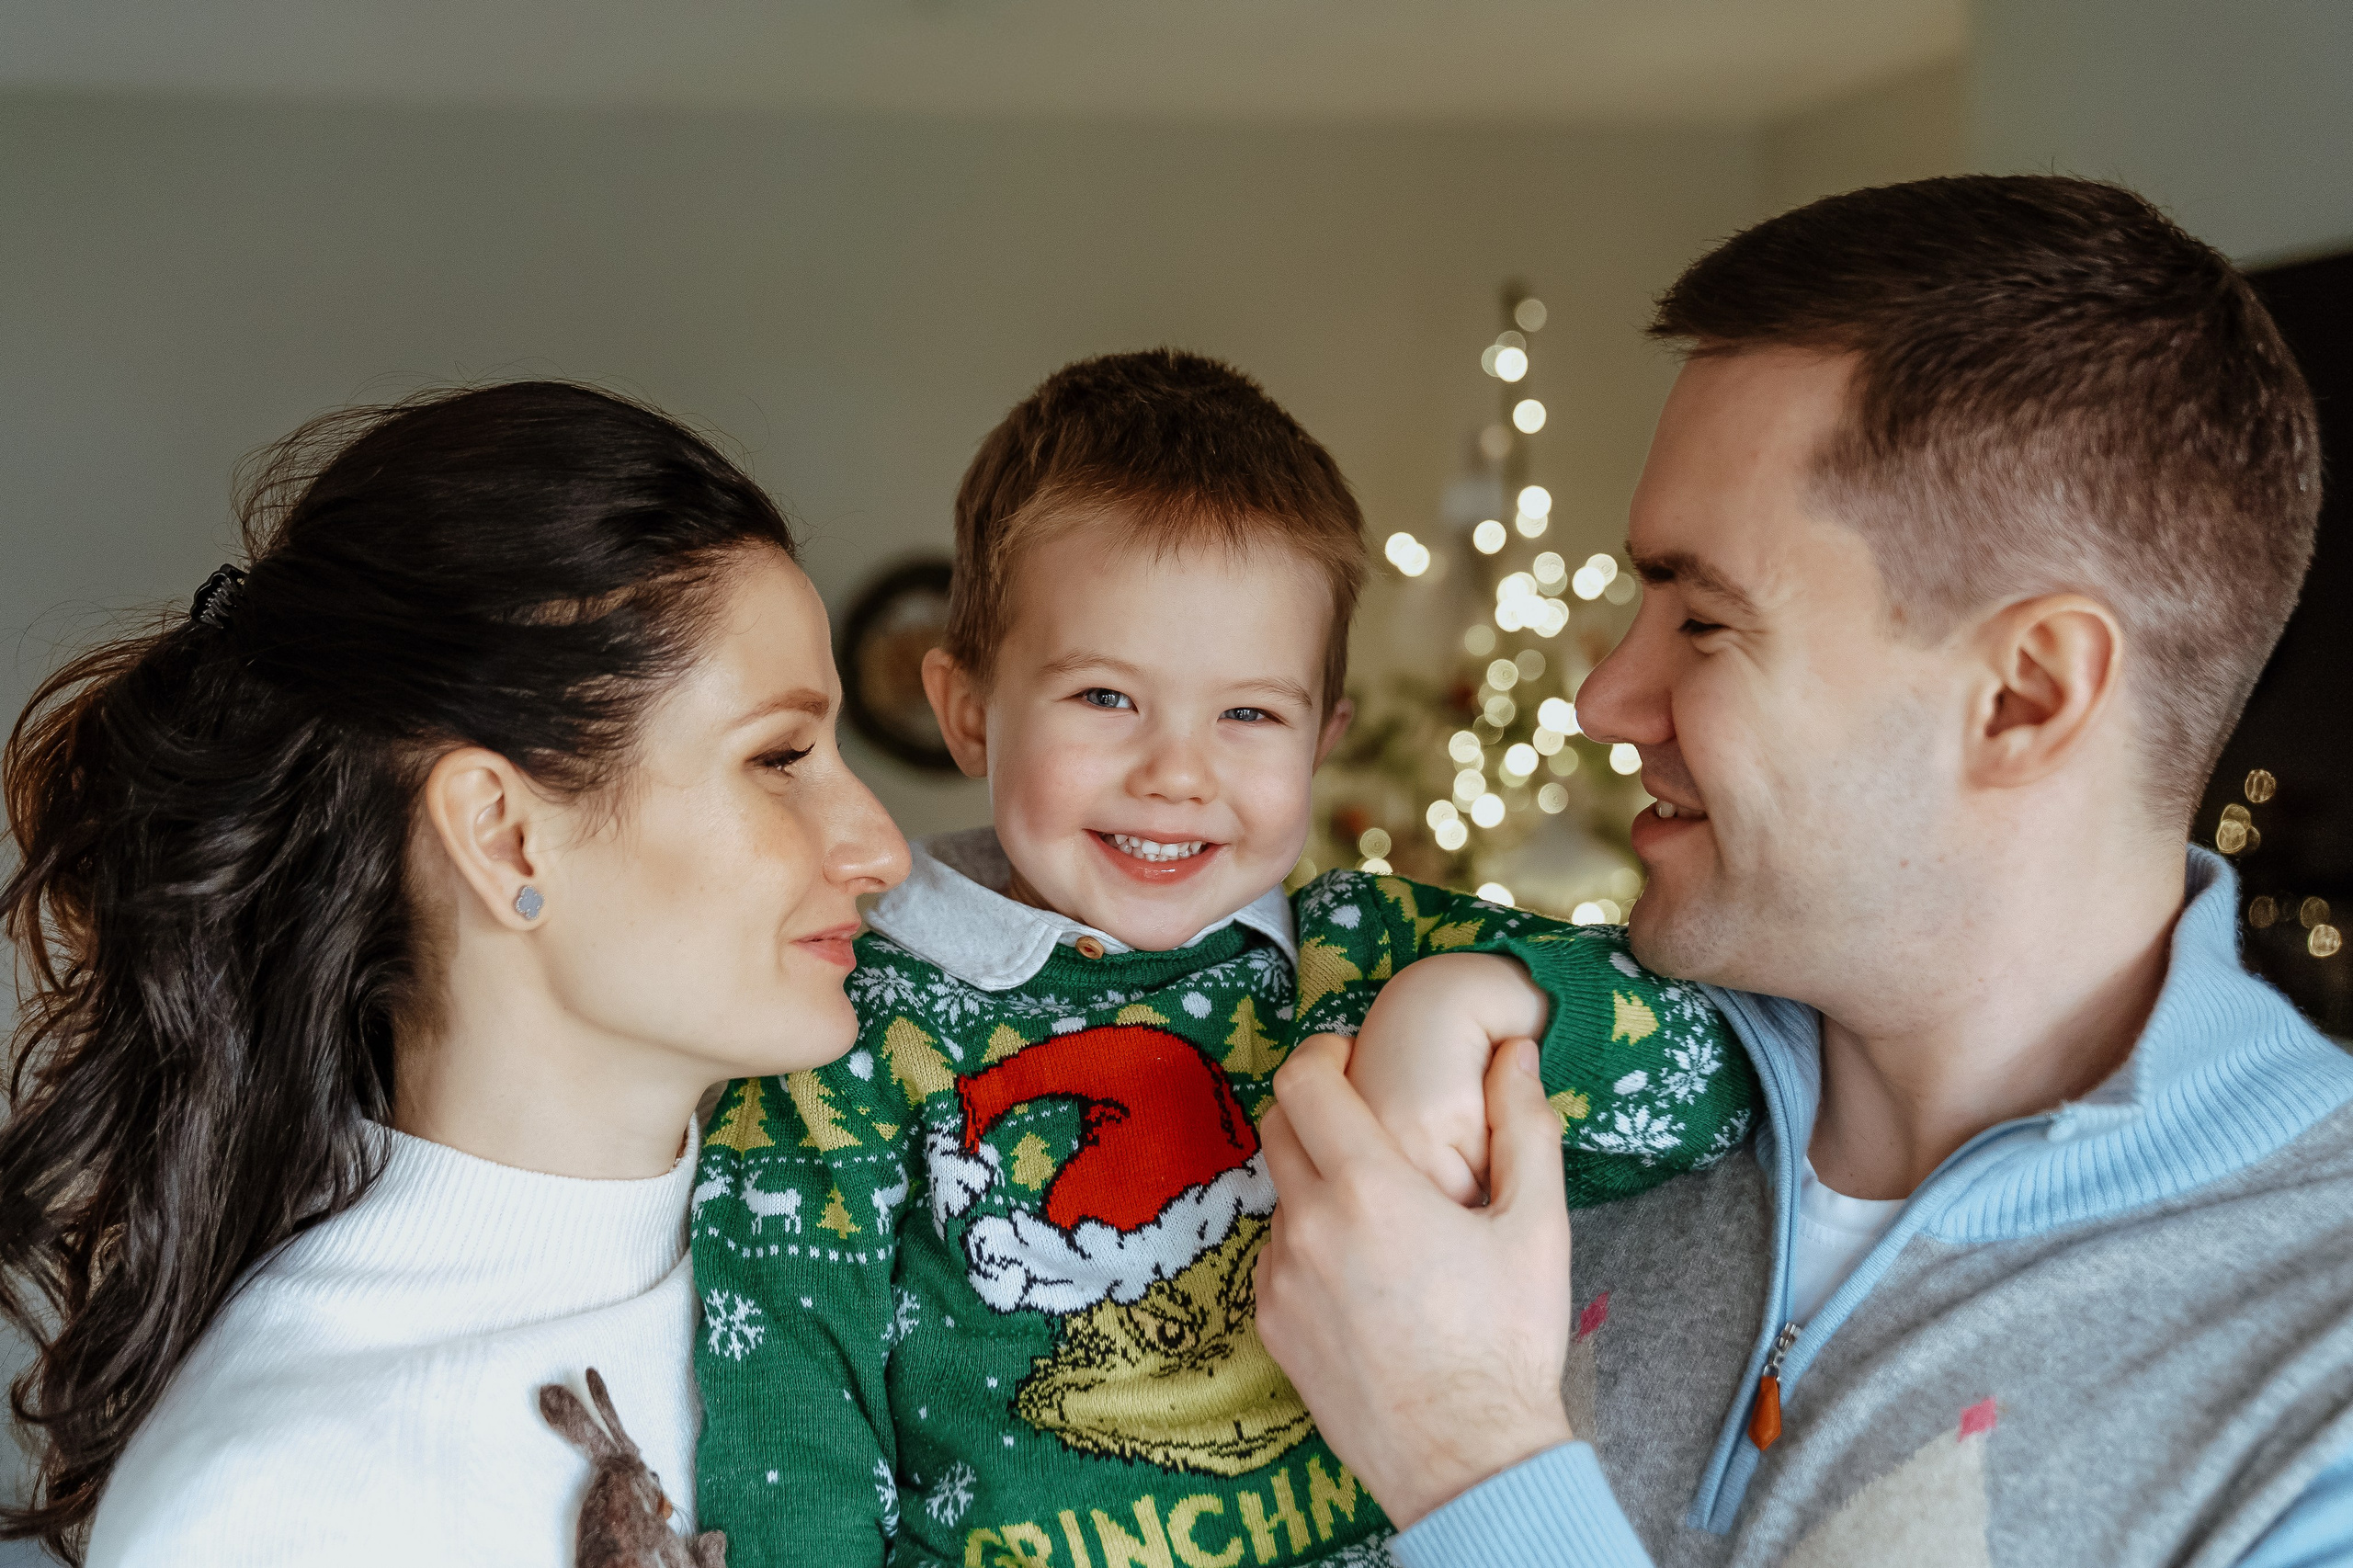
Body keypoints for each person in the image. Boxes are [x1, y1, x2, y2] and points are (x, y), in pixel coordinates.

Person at [1254, 175, 2353, 1567]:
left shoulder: (2322, 1393)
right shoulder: (1528, 1134)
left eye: (1703, 621)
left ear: (2023, 694)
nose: (1604, 697)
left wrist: (1465, 1453)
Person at [688, 349, 1756, 1567]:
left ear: (1325, 736)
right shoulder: (850, 1016)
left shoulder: (1371, 950)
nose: (1178, 772)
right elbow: (786, 1411)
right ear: (969, 704)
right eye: (1105, 697)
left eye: (1249, 713)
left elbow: (1714, 1083)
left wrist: (1462, 998)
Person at [0, 381, 910, 1565]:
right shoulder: (273, 1505)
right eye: (781, 756)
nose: (883, 847)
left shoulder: (883, 1240)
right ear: (504, 836)